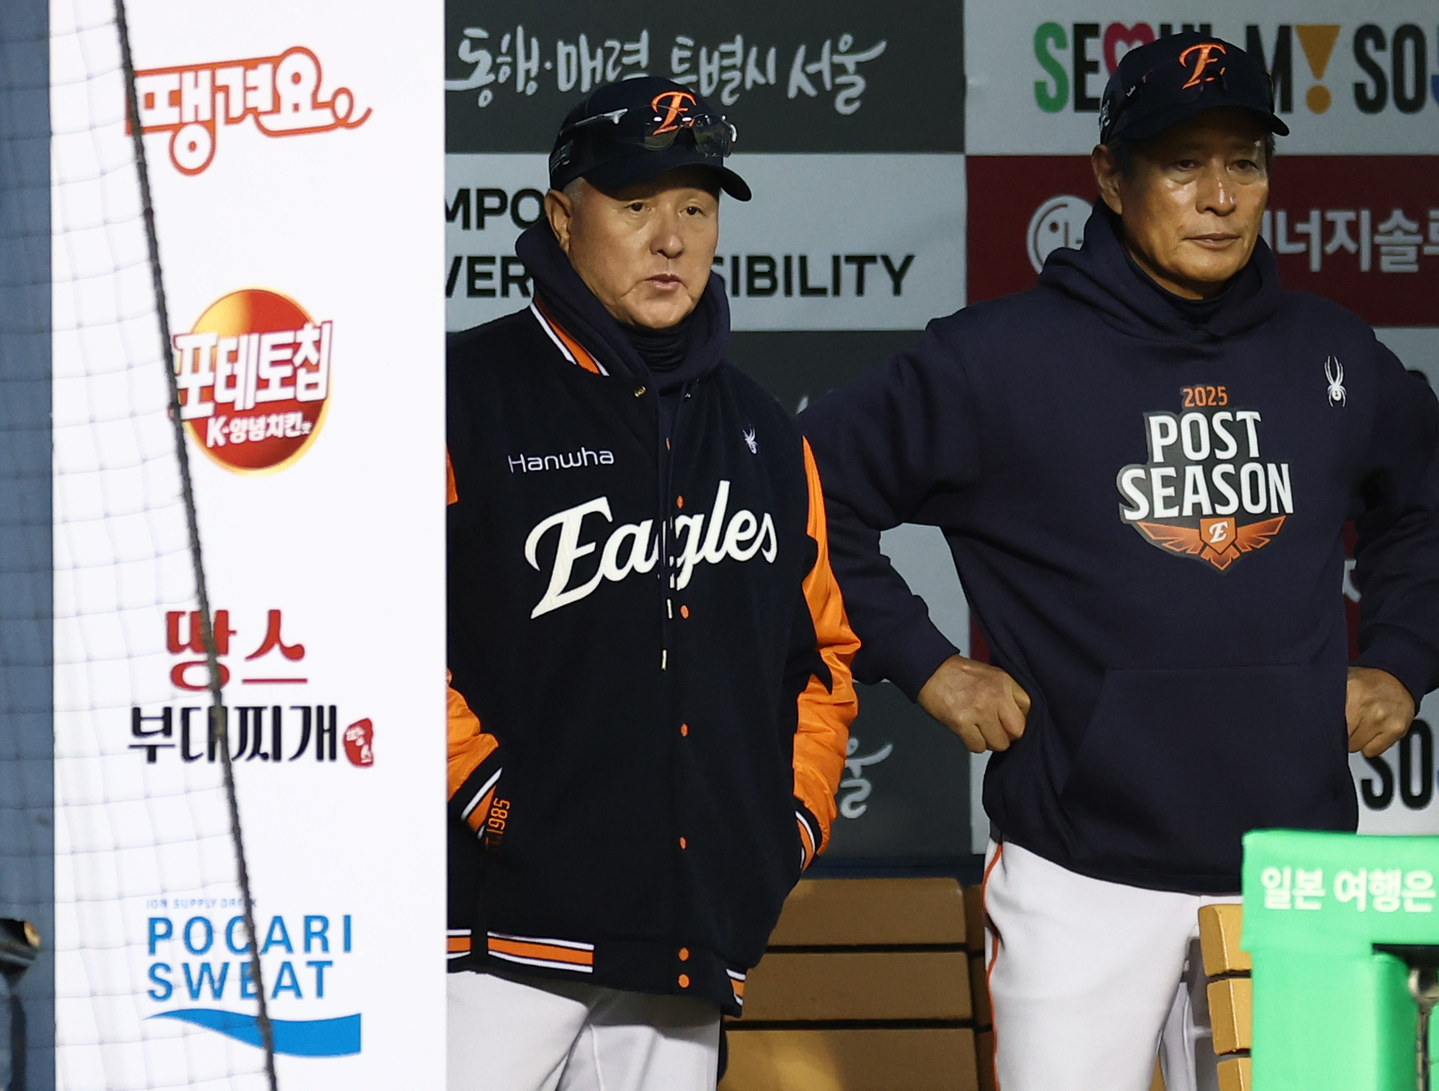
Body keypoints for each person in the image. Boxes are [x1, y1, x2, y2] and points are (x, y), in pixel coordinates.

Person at [801, 32, 1439, 1091]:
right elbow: (799, 495)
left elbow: (1422, 504)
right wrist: (921, 659)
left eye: (1243, 160)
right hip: (1078, 868)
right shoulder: (996, 360)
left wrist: (1404, 654)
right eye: (1181, 163)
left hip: (1298, 870)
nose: (1218, 195)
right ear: (1110, 176)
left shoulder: (1329, 352)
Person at [443, 77, 858, 1091]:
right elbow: (374, 636)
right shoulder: (460, 394)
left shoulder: (763, 430)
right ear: (560, 212)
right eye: (635, 205)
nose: (670, 238)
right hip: (492, 943)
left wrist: (778, 826)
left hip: (680, 945)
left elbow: (823, 663)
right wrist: (494, 804)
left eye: (694, 207)